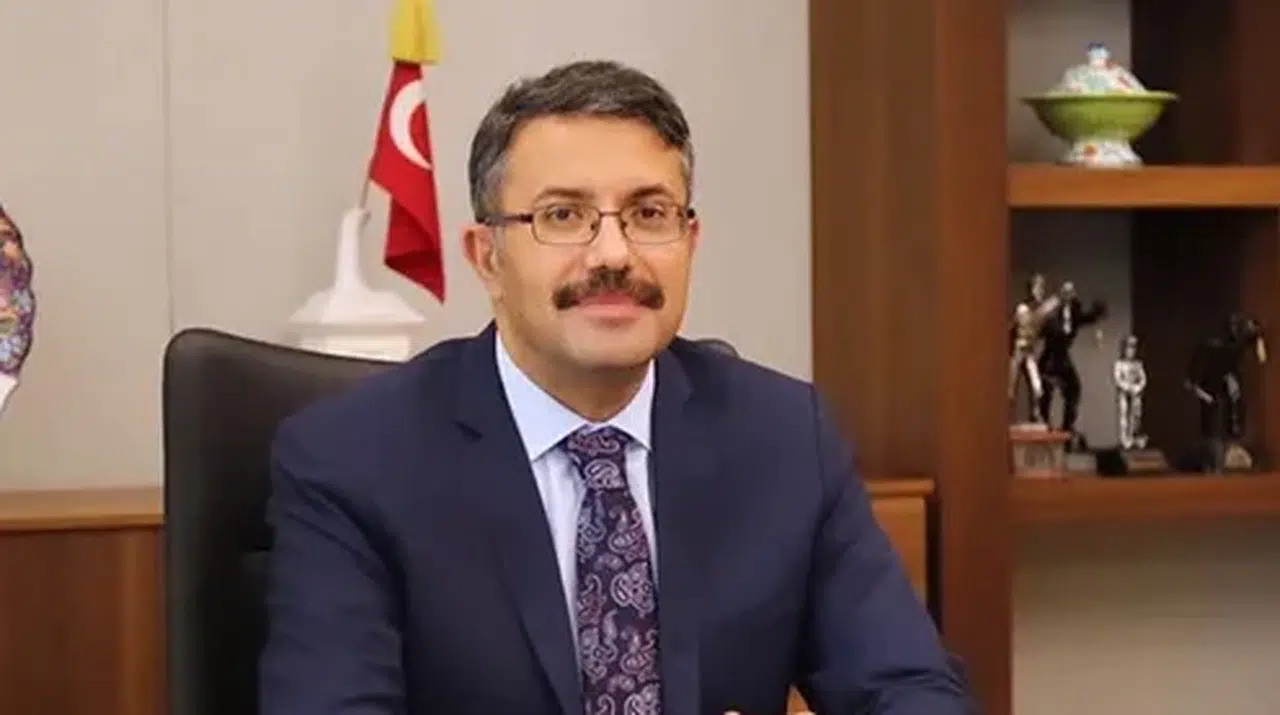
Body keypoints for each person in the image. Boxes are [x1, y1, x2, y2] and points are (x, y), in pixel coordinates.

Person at [259, 59, 974, 715]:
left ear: (690, 242)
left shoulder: (786, 437)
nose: (613, 253)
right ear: (487, 259)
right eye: (563, 215)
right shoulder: (352, 461)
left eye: (649, 214)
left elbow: (910, 689)